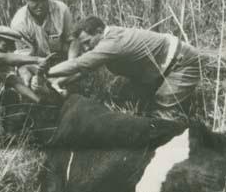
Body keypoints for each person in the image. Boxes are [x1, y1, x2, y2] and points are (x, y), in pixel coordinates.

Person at [47, 15, 201, 120]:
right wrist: (57, 81)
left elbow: (78, 64)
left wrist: (46, 72)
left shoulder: (112, 44)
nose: (87, 48)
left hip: (182, 62)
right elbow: (84, 71)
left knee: (164, 111)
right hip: (161, 66)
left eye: (88, 42)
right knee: (133, 103)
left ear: (99, 32)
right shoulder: (106, 39)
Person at [10, 0, 78, 91]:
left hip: (62, 61)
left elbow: (73, 40)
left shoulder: (61, 10)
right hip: (35, 65)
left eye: (43, 0)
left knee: (81, 68)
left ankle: (60, 84)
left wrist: (71, 64)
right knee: (28, 78)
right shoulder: (19, 22)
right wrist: (41, 74)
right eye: (34, 0)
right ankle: (50, 85)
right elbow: (24, 58)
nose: (39, 5)